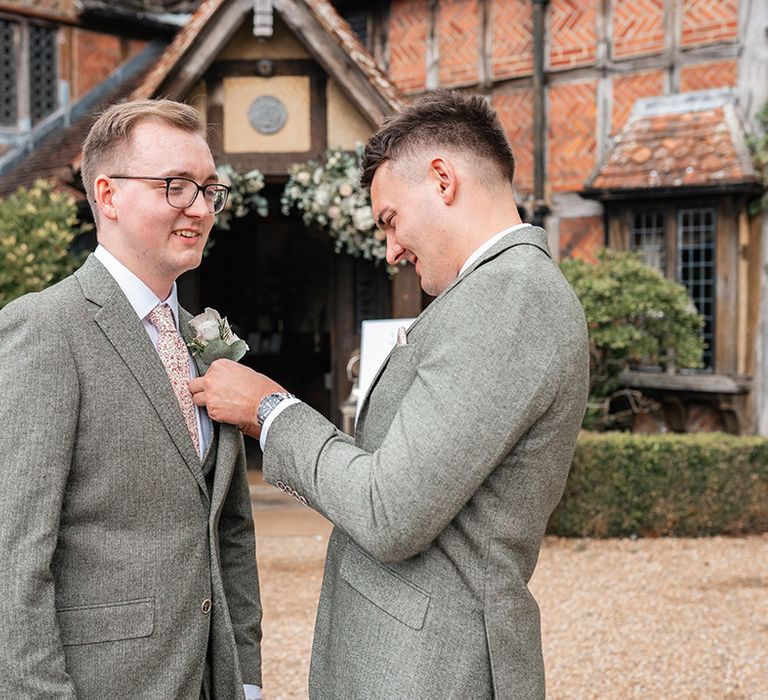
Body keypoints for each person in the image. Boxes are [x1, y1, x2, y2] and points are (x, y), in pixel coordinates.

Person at [191, 90, 588, 698]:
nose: (391, 250)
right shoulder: (489, 292)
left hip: (435, 670)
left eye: (389, 219)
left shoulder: (509, 297)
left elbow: (388, 512)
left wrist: (270, 412)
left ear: (442, 179)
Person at [0, 99, 262, 699]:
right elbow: (13, 557)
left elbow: (229, 530)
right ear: (109, 195)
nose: (199, 208)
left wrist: (244, 676)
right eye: (175, 186)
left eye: (208, 189)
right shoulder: (45, 329)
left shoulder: (203, 338)